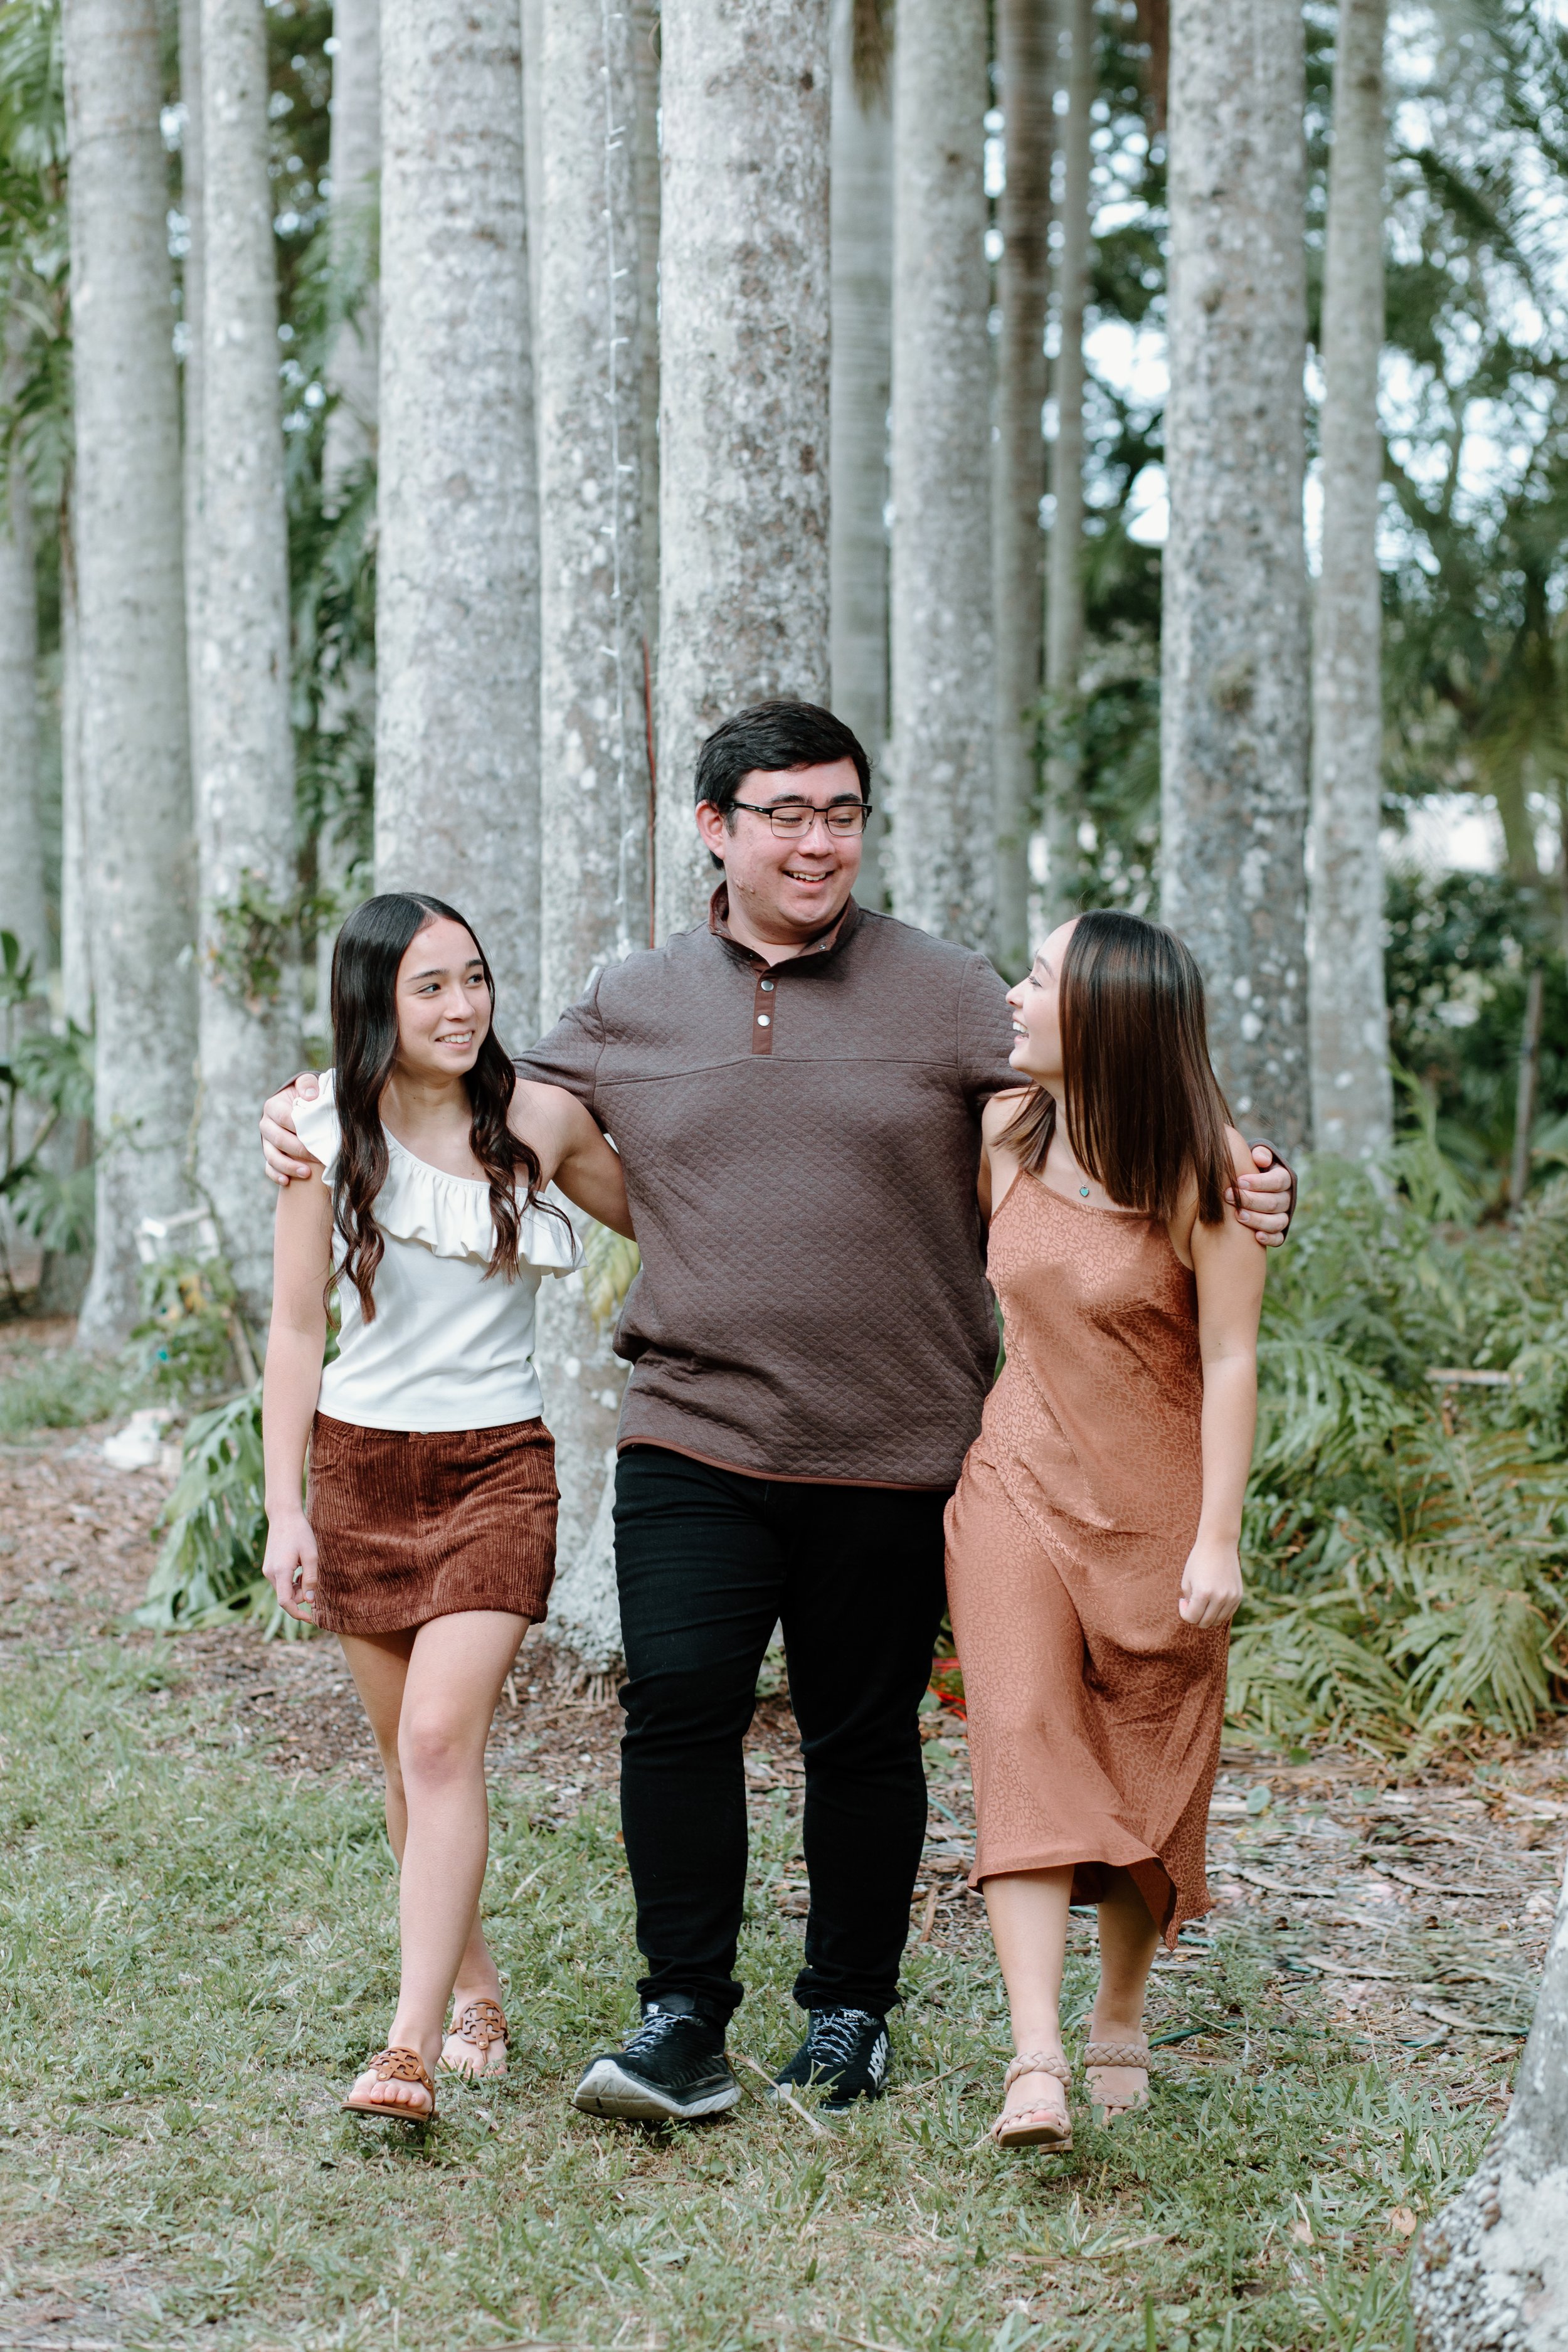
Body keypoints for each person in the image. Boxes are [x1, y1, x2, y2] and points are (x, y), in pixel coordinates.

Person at [258, 702, 1293, 2126]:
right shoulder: (633, 998)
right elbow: (481, 1097)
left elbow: (1111, 1100)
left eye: (842, 813)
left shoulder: (946, 990)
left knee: (861, 1738)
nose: (819, 841)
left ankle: (848, 2015)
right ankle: (681, 2016)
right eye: (787, 814)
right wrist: (314, 1106)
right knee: (676, 1709)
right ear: (715, 828)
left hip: (896, 1438)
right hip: (691, 1423)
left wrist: (1249, 1169)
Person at [261, 892, 633, 2122]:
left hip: (497, 1471)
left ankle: (406, 2046)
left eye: (473, 977)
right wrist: (285, 1509)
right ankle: (473, 1988)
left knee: (435, 1741)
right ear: (375, 1002)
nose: (462, 1004)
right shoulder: (318, 1129)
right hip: (359, 1470)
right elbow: (297, 1329)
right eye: (430, 985)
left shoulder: (539, 1118)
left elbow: (667, 1209)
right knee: (403, 1759)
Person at [946, 909, 1266, 2152]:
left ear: (1106, 1018)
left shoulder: (1210, 1174)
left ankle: (1116, 2014)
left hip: (1158, 1511)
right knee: (1018, 1728)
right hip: (1015, 1482)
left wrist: (1217, 1538)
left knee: (1149, 1762)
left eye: (1038, 980)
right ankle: (1033, 2057)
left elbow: (1230, 1357)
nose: (1014, 997)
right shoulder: (1002, 1130)